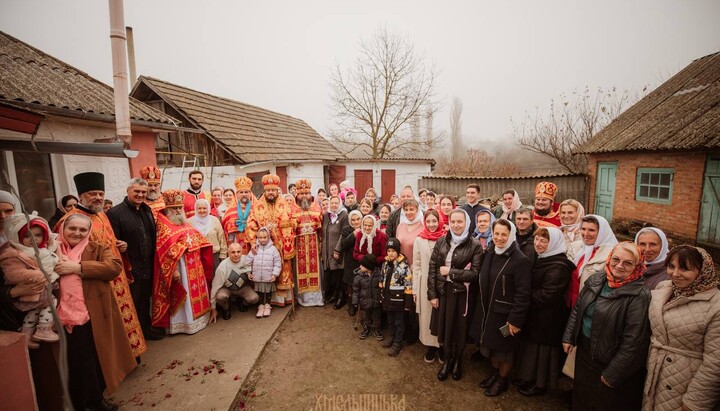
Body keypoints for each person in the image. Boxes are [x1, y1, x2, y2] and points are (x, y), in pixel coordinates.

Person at [57, 172, 146, 358]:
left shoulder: (101, 215)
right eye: (92, 193)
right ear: (81, 195)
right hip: (93, 280)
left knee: (122, 319)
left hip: (116, 276)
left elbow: (108, 241)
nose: (98, 197)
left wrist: (120, 245)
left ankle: (129, 356)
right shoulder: (70, 220)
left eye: (100, 193)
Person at [55, 213, 136, 410]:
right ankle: (76, 402)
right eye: (72, 228)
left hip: (91, 315)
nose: (77, 233)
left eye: (83, 230)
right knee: (70, 361)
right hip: (57, 318)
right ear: (63, 228)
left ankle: (94, 400)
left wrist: (77, 267)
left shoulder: (97, 248)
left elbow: (113, 267)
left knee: (92, 359)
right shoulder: (51, 250)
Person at [562, 242, 651, 410]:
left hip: (609, 357)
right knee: (582, 395)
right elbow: (578, 308)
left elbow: (634, 341)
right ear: (609, 259)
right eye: (616, 259)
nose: (619, 266)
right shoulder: (597, 279)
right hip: (585, 351)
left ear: (637, 266)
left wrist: (614, 371)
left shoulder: (639, 295)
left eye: (628, 263)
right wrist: (569, 336)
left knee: (603, 401)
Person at [643, 245, 720, 411]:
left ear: (703, 270)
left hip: (686, 384)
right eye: (671, 266)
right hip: (654, 376)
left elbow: (715, 362)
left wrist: (694, 402)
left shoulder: (716, 306)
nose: (675, 274)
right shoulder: (664, 288)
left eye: (685, 268)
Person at [470, 219, 531, 396]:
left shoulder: (520, 261)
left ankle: (502, 380)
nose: (499, 237)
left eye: (504, 234)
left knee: (505, 350)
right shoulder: (491, 252)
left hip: (506, 315)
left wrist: (515, 320)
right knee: (493, 346)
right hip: (489, 311)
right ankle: (496, 374)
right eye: (496, 233)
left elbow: (523, 294)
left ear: (511, 235)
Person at [515, 227, 574, 396]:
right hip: (536, 314)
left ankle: (539, 384)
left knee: (542, 353)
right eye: (537, 239)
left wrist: (523, 295)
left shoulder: (559, 266)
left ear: (553, 243)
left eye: (543, 241)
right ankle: (527, 377)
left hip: (548, 318)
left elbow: (547, 295)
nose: (538, 244)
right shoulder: (543, 258)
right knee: (530, 349)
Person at [429, 209, 482, 382]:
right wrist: (432, 294)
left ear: (466, 223)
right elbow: (433, 268)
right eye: (453, 222)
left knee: (459, 329)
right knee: (445, 328)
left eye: (460, 222)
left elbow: (475, 274)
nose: (456, 225)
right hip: (444, 292)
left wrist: (451, 272)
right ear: (449, 223)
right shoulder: (441, 241)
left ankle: (458, 360)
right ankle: (447, 360)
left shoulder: (475, 245)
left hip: (462, 295)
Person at [105, 178, 161, 340]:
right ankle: (132, 336)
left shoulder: (147, 210)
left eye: (144, 192)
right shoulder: (114, 213)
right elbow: (111, 241)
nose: (140, 195)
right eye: (137, 191)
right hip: (129, 267)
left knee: (145, 300)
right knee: (132, 302)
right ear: (128, 191)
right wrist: (120, 245)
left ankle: (145, 329)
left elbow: (152, 235)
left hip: (147, 265)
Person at [152, 189, 214, 335]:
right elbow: (165, 252)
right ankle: (184, 325)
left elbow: (197, 239)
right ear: (168, 209)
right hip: (181, 267)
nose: (179, 211)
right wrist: (174, 270)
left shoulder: (185, 223)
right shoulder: (163, 226)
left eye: (180, 207)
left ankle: (200, 320)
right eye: (175, 208)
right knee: (184, 294)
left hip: (195, 265)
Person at [0, 213, 60, 346]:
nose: (33, 239)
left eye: (38, 235)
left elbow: (53, 259)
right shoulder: (14, 253)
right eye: (27, 236)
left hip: (36, 289)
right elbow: (13, 273)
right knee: (50, 302)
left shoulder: (40, 249)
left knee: (36, 309)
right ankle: (44, 328)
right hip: (27, 291)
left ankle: (26, 334)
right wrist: (40, 275)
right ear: (19, 237)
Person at [245, 174, 296, 306]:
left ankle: (282, 300)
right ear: (265, 191)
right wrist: (252, 242)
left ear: (277, 190)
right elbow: (251, 224)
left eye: (273, 190)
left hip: (281, 246)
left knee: (282, 270)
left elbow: (293, 220)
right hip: (263, 246)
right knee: (266, 270)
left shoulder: (285, 205)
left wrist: (289, 230)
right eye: (268, 190)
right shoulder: (257, 206)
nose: (271, 193)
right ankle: (268, 300)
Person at [412, 209, 445, 363]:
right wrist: (415, 289)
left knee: (441, 316)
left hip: (442, 284)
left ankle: (442, 346)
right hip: (424, 282)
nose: (432, 225)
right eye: (429, 221)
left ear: (439, 221)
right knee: (426, 317)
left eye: (434, 221)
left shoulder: (446, 238)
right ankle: (430, 346)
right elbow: (417, 265)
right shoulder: (419, 240)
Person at [567, 215, 618, 308]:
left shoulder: (611, 255)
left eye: (591, 230)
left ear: (602, 232)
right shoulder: (574, 247)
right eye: (583, 229)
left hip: (589, 306)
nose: (585, 234)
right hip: (568, 301)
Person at [289, 179, 324, 307]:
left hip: (314, 244)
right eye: (301, 193)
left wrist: (321, 244)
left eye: (307, 193)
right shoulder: (292, 208)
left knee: (315, 270)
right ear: (297, 194)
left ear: (310, 194)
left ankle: (316, 299)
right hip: (299, 245)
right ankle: (302, 298)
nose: (304, 196)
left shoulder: (316, 206)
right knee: (300, 270)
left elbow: (321, 229)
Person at [379, 238, 413, 357]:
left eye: (393, 251)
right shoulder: (385, 264)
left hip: (398, 301)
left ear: (398, 251)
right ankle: (391, 336)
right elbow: (381, 280)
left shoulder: (404, 266)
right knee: (390, 320)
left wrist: (408, 303)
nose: (391, 253)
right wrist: (381, 295)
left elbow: (408, 285)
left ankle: (398, 343)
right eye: (388, 251)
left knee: (399, 322)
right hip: (388, 299)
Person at [209, 242, 259, 321]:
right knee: (220, 297)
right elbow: (215, 287)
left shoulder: (246, 259)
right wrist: (213, 308)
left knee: (254, 298)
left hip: (243, 288)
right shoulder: (222, 266)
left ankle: (242, 302)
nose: (236, 254)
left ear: (242, 252)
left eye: (238, 252)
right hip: (227, 288)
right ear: (228, 253)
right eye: (233, 252)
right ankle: (226, 308)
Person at [246, 227, 282, 318]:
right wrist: (248, 272)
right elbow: (248, 261)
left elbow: (277, 263)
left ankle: (267, 306)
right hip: (258, 276)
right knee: (260, 292)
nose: (263, 240)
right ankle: (261, 306)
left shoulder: (273, 249)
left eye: (265, 237)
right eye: (260, 238)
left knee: (268, 291)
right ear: (258, 237)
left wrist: (275, 274)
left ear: (268, 237)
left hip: (268, 276)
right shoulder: (255, 249)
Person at [334, 209, 362, 312]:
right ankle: (352, 305)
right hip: (350, 261)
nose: (356, 222)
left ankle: (361, 305)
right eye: (353, 220)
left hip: (362, 261)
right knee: (351, 285)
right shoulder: (346, 230)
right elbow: (344, 244)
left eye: (358, 219)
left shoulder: (366, 228)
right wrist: (354, 234)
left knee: (362, 284)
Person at [189, 199, 228, 271]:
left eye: (204, 208)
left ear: (208, 208)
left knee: (215, 279)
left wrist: (223, 254)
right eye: (199, 208)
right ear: (195, 209)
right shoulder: (189, 222)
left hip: (214, 256)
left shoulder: (215, 220)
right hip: (197, 257)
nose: (202, 210)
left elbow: (221, 238)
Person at [322, 195, 347, 305]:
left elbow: (343, 234)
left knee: (338, 275)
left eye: (336, 203)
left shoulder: (343, 215)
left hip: (337, 251)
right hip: (327, 251)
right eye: (332, 203)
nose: (334, 205)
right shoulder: (327, 215)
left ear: (340, 203)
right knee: (330, 275)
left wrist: (337, 250)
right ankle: (333, 295)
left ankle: (341, 297)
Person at [352, 253, 382, 340]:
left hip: (376, 301)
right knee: (366, 317)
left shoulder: (379, 275)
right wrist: (355, 301)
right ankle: (366, 328)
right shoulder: (358, 277)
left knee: (377, 317)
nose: (360, 266)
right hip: (365, 302)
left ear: (369, 266)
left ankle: (377, 329)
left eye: (363, 265)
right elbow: (356, 291)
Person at [221, 176, 254, 252]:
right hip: (236, 246)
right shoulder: (230, 211)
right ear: (237, 194)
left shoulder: (256, 209)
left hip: (253, 244)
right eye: (241, 192)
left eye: (246, 192)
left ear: (250, 194)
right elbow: (228, 233)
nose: (244, 194)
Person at [395, 199, 423, 266]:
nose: (408, 212)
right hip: (401, 268)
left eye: (411, 209)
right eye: (406, 210)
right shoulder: (400, 226)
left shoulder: (423, 227)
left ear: (417, 210)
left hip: (416, 267)